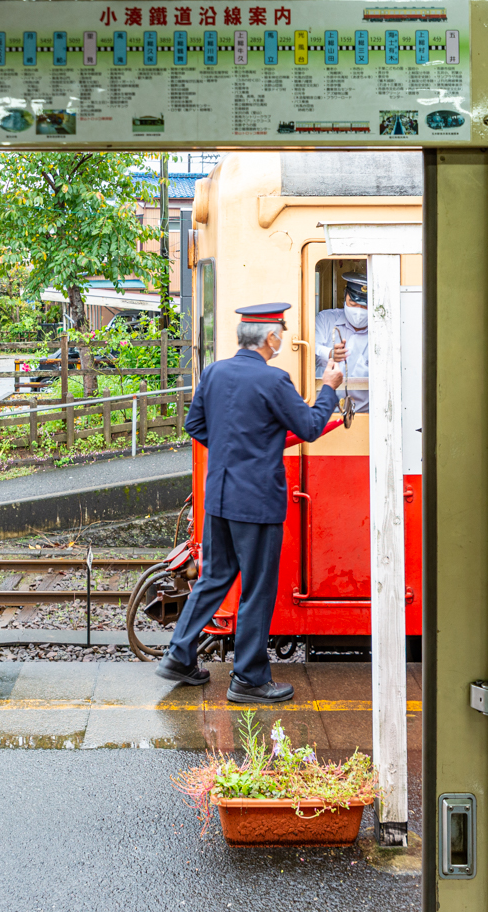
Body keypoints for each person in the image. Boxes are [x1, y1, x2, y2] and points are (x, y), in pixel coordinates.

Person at [157, 303, 344, 703]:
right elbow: (310, 426)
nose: (283, 337)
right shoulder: (274, 380)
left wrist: (233, 452)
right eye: (282, 331)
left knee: (214, 578)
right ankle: (250, 679)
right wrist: (329, 386)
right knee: (257, 589)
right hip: (257, 501)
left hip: (220, 498)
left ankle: (178, 656)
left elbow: (195, 425)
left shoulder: (215, 372)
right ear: (271, 338)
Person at [314, 270, 369, 413]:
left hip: (365, 414)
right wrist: (330, 353)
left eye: (364, 307)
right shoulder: (326, 319)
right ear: (344, 297)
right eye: (353, 303)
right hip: (325, 412)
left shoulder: (382, 330)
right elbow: (308, 349)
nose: (358, 311)